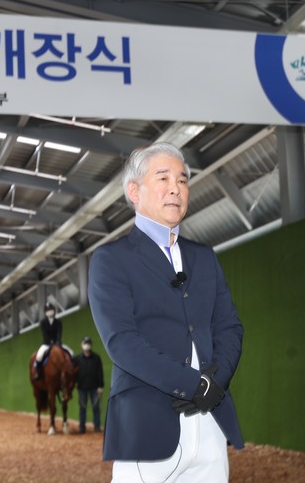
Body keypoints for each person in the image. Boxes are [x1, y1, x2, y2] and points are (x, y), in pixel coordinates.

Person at [88, 142, 244, 483]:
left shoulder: (205, 257)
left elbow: (229, 327)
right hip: (147, 423)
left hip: (211, 423)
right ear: (134, 191)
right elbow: (122, 342)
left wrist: (214, 383)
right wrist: (193, 385)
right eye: (163, 178)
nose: (176, 188)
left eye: (183, 180)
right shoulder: (110, 260)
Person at [72, 336, 104, 434]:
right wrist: (74, 382)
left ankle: (97, 427)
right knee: (82, 408)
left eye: (88, 343)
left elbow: (100, 372)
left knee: (96, 408)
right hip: (81, 387)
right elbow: (72, 372)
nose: (87, 345)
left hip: (94, 387)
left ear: (91, 344)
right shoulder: (77, 359)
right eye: (85, 343)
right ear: (81, 345)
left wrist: (101, 386)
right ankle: (82, 428)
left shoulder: (96, 358)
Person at [32, 302, 61, 380]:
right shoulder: (43, 323)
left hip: (57, 343)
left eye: (51, 310)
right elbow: (44, 334)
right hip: (46, 344)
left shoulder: (58, 322)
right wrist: (50, 343)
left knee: (70, 352)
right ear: (45, 312)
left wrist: (58, 342)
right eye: (48, 310)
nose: (50, 311)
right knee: (39, 356)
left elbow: (59, 333)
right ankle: (38, 372)